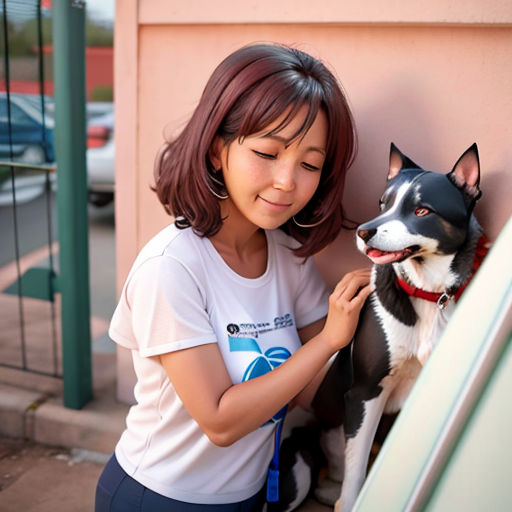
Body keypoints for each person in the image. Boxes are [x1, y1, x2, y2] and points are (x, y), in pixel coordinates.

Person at [95, 42, 371, 511]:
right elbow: (220, 421)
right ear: (218, 149)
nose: (287, 180)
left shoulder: (290, 259)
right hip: (159, 497)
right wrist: (328, 340)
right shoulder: (172, 268)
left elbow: (306, 390)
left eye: (309, 164)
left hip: (247, 496)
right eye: (267, 152)